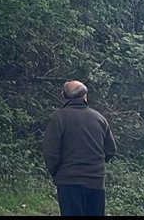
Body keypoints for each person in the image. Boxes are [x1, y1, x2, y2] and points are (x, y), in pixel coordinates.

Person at [42, 80, 116, 216]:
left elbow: (50, 152)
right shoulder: (99, 118)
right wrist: (95, 166)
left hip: (69, 181)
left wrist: (58, 173)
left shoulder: (58, 118)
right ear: (85, 97)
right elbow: (110, 150)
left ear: (63, 95)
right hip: (96, 182)